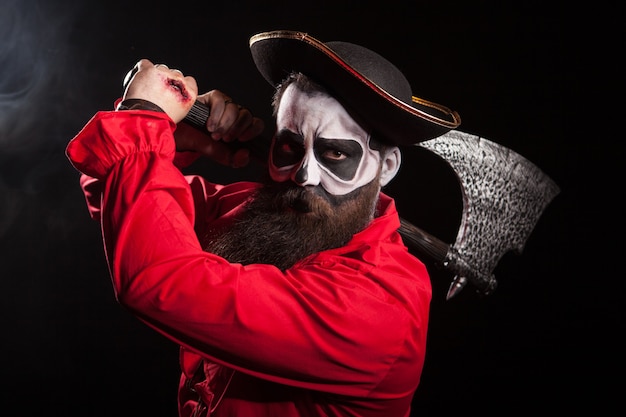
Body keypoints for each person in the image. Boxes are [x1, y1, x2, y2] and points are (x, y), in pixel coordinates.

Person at [66, 30, 461, 417]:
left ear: (386, 166)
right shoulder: (263, 212)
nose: (304, 174)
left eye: (334, 154)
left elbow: (156, 280)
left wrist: (146, 116)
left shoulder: (379, 310)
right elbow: (116, 196)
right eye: (290, 146)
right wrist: (176, 137)